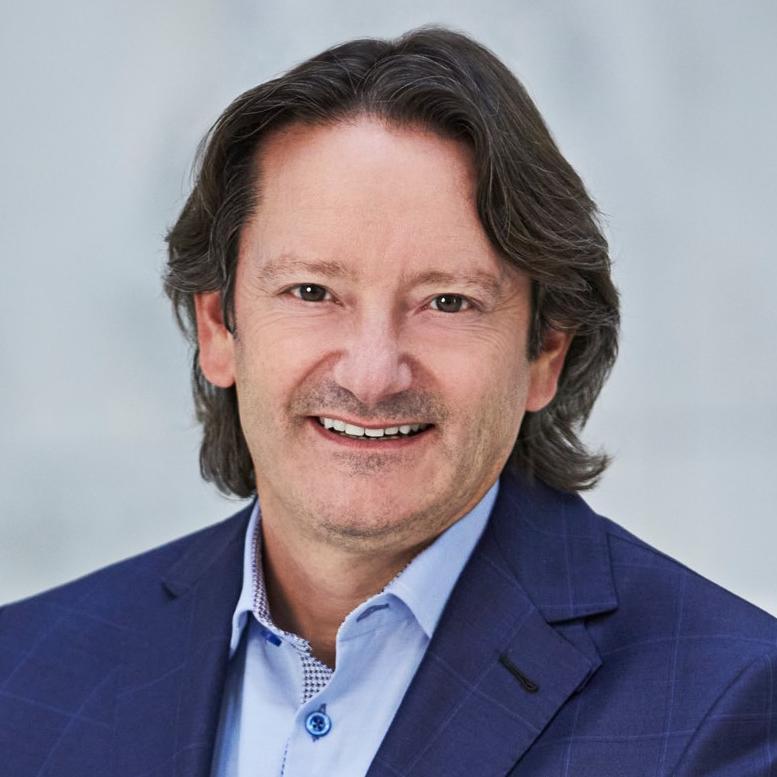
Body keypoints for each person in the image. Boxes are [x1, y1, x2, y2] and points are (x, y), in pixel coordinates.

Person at [1, 26, 775, 777]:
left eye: (447, 302)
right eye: (312, 291)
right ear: (218, 326)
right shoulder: (22, 676)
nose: (373, 375)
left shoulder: (725, 706)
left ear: (545, 351)